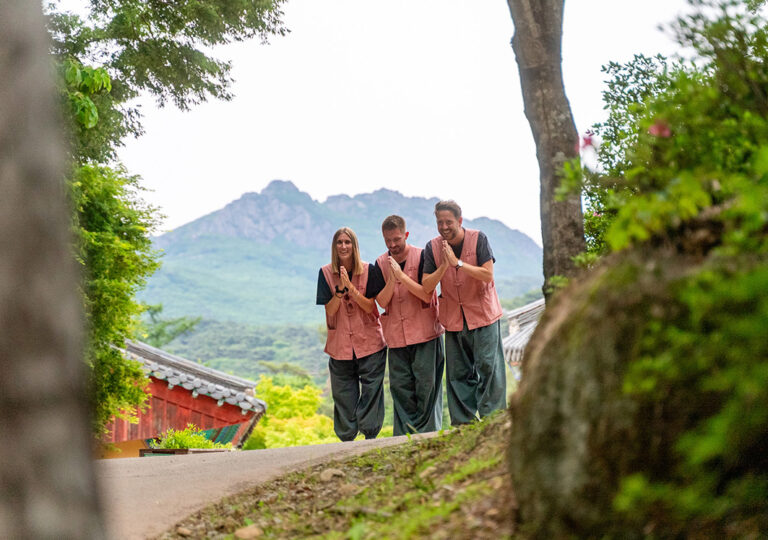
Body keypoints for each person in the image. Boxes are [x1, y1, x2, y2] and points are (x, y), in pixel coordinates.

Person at [422, 200, 506, 425]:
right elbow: (427, 285)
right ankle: (463, 424)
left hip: (483, 316)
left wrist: (458, 263)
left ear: (459, 221)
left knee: (489, 368)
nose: (444, 227)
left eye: (448, 222)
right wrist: (444, 265)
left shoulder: (479, 239)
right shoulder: (432, 248)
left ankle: (493, 421)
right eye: (440, 222)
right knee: (458, 374)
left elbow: (488, 275)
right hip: (454, 320)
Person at [374, 215, 445, 435]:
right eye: (388, 241)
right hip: (396, 337)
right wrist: (392, 279)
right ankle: (403, 439)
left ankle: (430, 436)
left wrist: (402, 277)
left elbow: (426, 294)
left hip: (425, 334)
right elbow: (382, 301)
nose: (393, 245)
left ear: (406, 235)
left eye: (396, 239)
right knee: (401, 389)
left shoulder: (423, 256)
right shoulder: (379, 263)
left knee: (427, 387)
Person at [316, 227, 387, 441]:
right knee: (343, 395)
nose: (344, 246)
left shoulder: (369, 270)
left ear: (354, 246)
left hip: (370, 342)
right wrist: (340, 290)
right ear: (334, 247)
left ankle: (370, 436)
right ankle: (346, 438)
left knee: (371, 392)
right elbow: (329, 309)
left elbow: (371, 306)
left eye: (348, 242)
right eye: (339, 242)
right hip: (339, 346)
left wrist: (352, 289)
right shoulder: (325, 273)